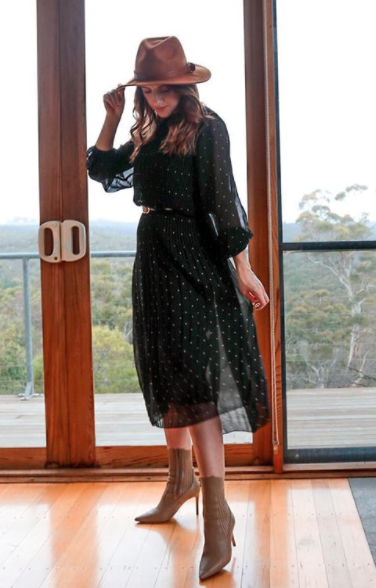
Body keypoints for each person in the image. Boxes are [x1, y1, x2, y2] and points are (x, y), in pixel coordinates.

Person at [86, 36, 270, 580]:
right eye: (150, 88)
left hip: (196, 260)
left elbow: (222, 199)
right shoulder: (146, 131)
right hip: (154, 258)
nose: (159, 97)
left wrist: (244, 267)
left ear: (185, 87)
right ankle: (178, 482)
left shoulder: (207, 127)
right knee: (166, 374)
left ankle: (217, 515)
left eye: (167, 88)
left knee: (196, 385)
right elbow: (102, 171)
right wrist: (113, 118)